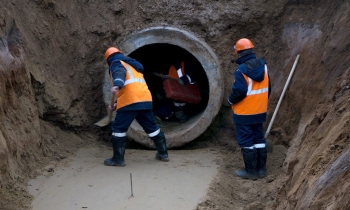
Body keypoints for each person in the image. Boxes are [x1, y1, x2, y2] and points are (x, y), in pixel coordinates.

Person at [103, 47, 169, 166]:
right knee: (152, 128)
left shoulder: (116, 63)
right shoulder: (133, 65)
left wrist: (117, 84)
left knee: (118, 129)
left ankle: (118, 159)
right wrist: (116, 105)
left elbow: (119, 73)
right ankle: (163, 154)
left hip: (130, 102)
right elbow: (131, 88)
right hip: (144, 100)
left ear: (108, 59)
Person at [227, 38, 271, 180]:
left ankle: (250, 172)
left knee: (246, 141)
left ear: (239, 53)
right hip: (259, 110)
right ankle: (261, 170)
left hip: (244, 113)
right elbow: (268, 88)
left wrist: (230, 100)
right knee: (258, 138)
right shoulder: (263, 66)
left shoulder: (241, 70)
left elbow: (239, 91)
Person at [156, 59, 197, 123]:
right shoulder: (166, 71)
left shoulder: (186, 65)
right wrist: (162, 93)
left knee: (180, 111)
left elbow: (194, 75)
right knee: (162, 112)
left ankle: (181, 117)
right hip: (172, 97)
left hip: (186, 95)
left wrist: (184, 80)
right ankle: (167, 116)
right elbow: (166, 85)